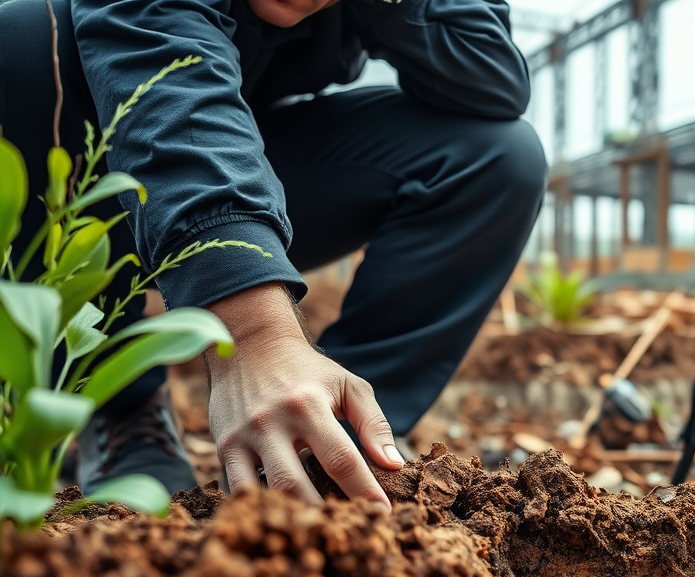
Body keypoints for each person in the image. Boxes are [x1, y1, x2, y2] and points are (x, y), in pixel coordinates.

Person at [0, 0, 547, 508]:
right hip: (91, 157)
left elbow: (494, 78)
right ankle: (121, 407)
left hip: (255, 161)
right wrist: (255, 334)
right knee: (24, 39)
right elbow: (165, 69)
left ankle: (330, 429)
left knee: (498, 155)